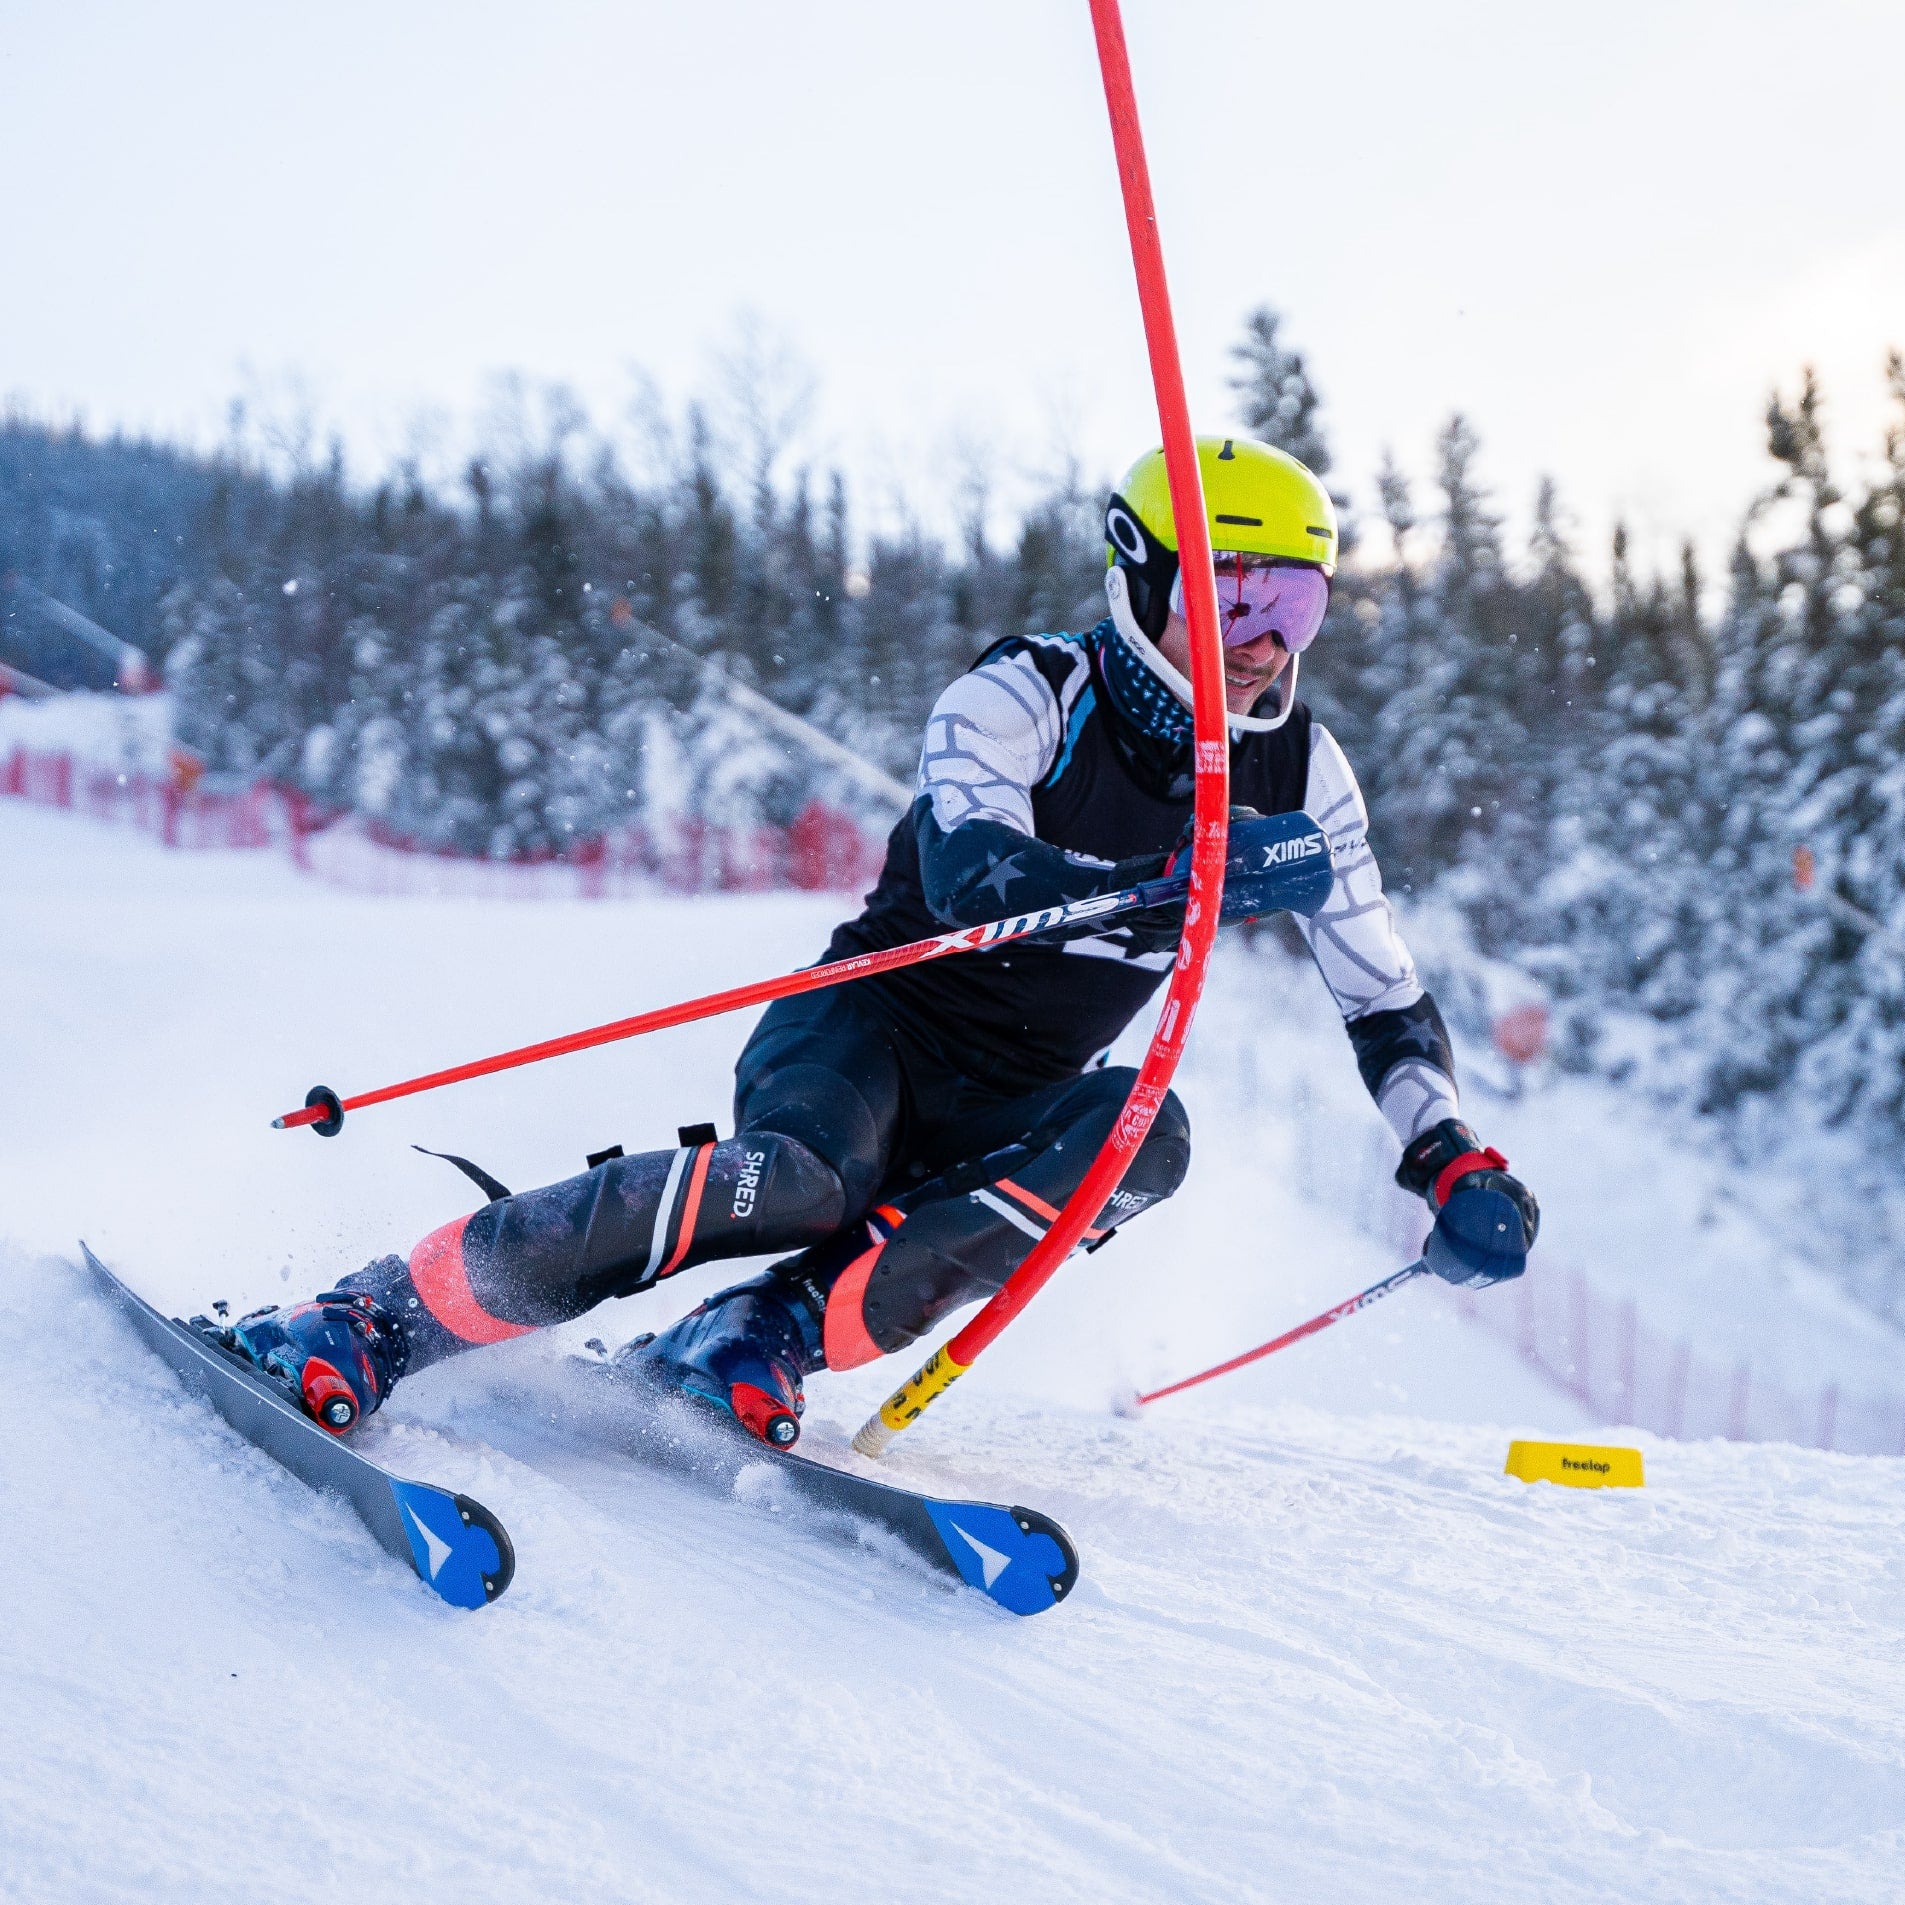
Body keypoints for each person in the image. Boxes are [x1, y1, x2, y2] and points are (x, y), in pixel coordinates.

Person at [211, 435, 1538, 1449]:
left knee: (1147, 1136)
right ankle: (375, 1315)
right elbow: (972, 879)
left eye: (1293, 609)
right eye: (1233, 600)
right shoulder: (1027, 693)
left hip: (1014, 1099)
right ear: (1141, 579)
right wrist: (1174, 878)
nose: (1261, 647)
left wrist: (1448, 1154)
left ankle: (762, 1329)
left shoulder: (1300, 775)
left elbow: (1381, 995)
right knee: (801, 1184)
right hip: (867, 1035)